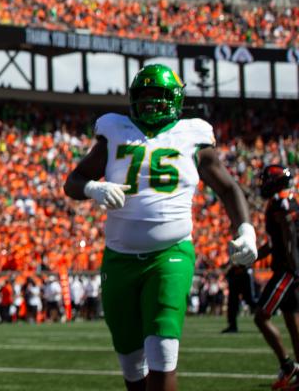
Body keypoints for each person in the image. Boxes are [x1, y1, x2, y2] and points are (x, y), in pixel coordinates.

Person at [64, 64, 257, 391]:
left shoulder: (193, 134)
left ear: (175, 99)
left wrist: (246, 229)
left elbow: (228, 188)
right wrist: (93, 189)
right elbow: (73, 181)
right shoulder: (115, 130)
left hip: (171, 254)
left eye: (159, 96)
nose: (151, 103)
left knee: (163, 348)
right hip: (120, 258)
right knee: (130, 358)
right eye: (145, 95)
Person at [252, 165, 299, 389]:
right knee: (292, 321)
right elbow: (275, 242)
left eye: (266, 180)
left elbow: (289, 234)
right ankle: (294, 370)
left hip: (288, 271)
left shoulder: (282, 201)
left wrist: (294, 268)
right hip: (287, 268)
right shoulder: (278, 201)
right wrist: (252, 255)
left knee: (261, 316)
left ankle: (288, 365)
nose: (263, 184)